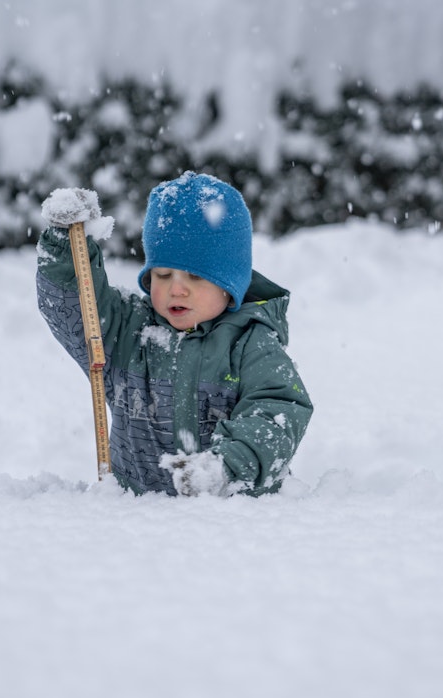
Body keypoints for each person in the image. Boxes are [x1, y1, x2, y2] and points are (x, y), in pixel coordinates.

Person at [37, 171, 313, 497]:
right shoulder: (128, 331)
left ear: (231, 283)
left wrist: (226, 467)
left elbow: (278, 411)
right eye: (163, 274)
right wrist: (66, 247)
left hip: (234, 524)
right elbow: (74, 310)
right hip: (134, 522)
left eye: (195, 276)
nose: (176, 289)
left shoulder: (252, 343)